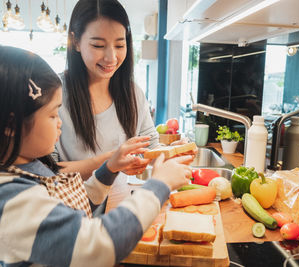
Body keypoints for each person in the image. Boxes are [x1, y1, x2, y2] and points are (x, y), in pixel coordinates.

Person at [0, 45, 192, 266]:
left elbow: (74, 207)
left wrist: (109, 169)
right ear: (10, 124)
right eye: (53, 115)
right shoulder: (3, 198)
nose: (60, 123)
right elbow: (97, 246)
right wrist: (159, 185)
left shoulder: (30, 167)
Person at [56, 0, 195, 179]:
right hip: (74, 205)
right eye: (98, 45)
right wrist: (110, 163)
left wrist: (172, 153)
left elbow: (151, 148)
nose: (111, 58)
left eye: (120, 45)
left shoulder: (132, 93)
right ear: (75, 41)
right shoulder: (54, 93)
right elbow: (44, 172)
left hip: (120, 202)